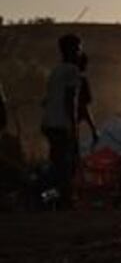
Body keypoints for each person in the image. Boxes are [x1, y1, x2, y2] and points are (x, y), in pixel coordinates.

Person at [42, 34, 83, 206]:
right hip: (61, 123)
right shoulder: (72, 70)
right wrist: (73, 127)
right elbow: (69, 100)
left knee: (56, 161)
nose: (80, 52)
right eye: (79, 48)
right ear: (73, 50)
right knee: (65, 163)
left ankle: (50, 197)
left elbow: (46, 100)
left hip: (49, 122)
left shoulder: (55, 71)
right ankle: (63, 199)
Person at [76, 53, 99, 149]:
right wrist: (93, 129)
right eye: (84, 64)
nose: (85, 67)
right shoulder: (81, 80)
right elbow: (85, 106)